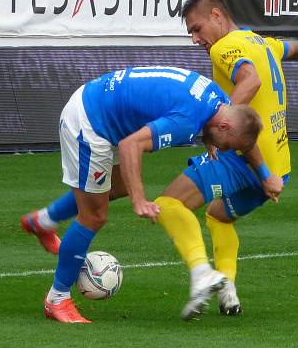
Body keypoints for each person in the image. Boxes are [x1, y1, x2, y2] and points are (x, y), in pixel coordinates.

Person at [156, 0, 298, 315]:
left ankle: (202, 274)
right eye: (190, 33)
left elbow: (251, 79)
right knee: (218, 216)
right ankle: (227, 289)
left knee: (168, 204)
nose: (195, 39)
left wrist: (217, 124)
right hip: (277, 169)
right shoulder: (262, 42)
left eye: (196, 28)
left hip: (241, 159)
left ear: (217, 16)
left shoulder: (225, 47)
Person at [30, 66, 263, 323]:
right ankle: (57, 298)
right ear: (224, 126)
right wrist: (139, 199)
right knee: (94, 215)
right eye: (225, 144)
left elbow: (207, 123)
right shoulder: (186, 121)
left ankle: (43, 221)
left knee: (114, 186)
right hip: (89, 122)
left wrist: (210, 138)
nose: (221, 148)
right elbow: (131, 145)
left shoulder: (217, 98)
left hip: (100, 104)